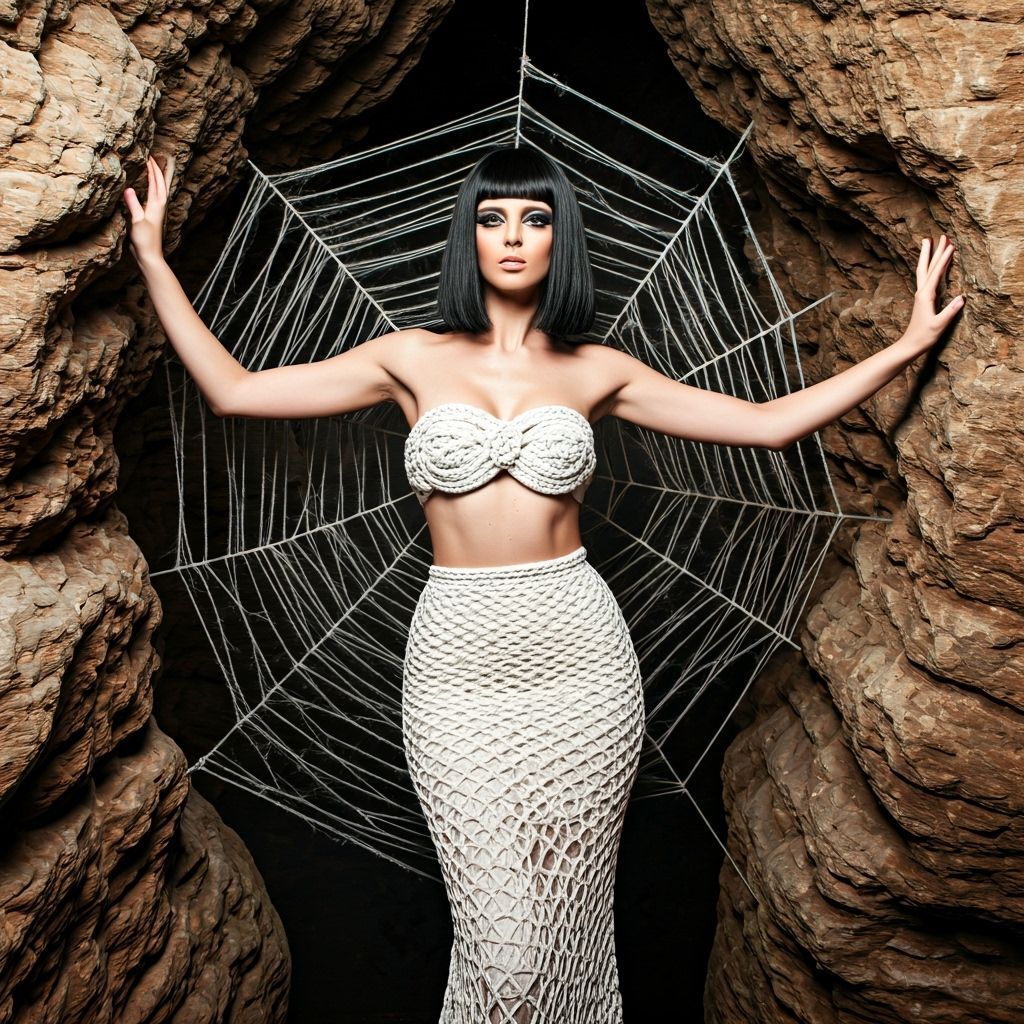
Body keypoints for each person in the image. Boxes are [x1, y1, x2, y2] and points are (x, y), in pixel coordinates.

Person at [124, 146, 963, 1023]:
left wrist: (904, 345)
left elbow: (766, 426)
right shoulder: (408, 357)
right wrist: (152, 257)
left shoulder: (598, 369)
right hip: (456, 665)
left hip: (580, 661)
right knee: (503, 938)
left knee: (567, 921)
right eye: (492, 218)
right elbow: (233, 390)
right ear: (469, 237)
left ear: (560, 239)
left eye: (535, 218)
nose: (512, 237)